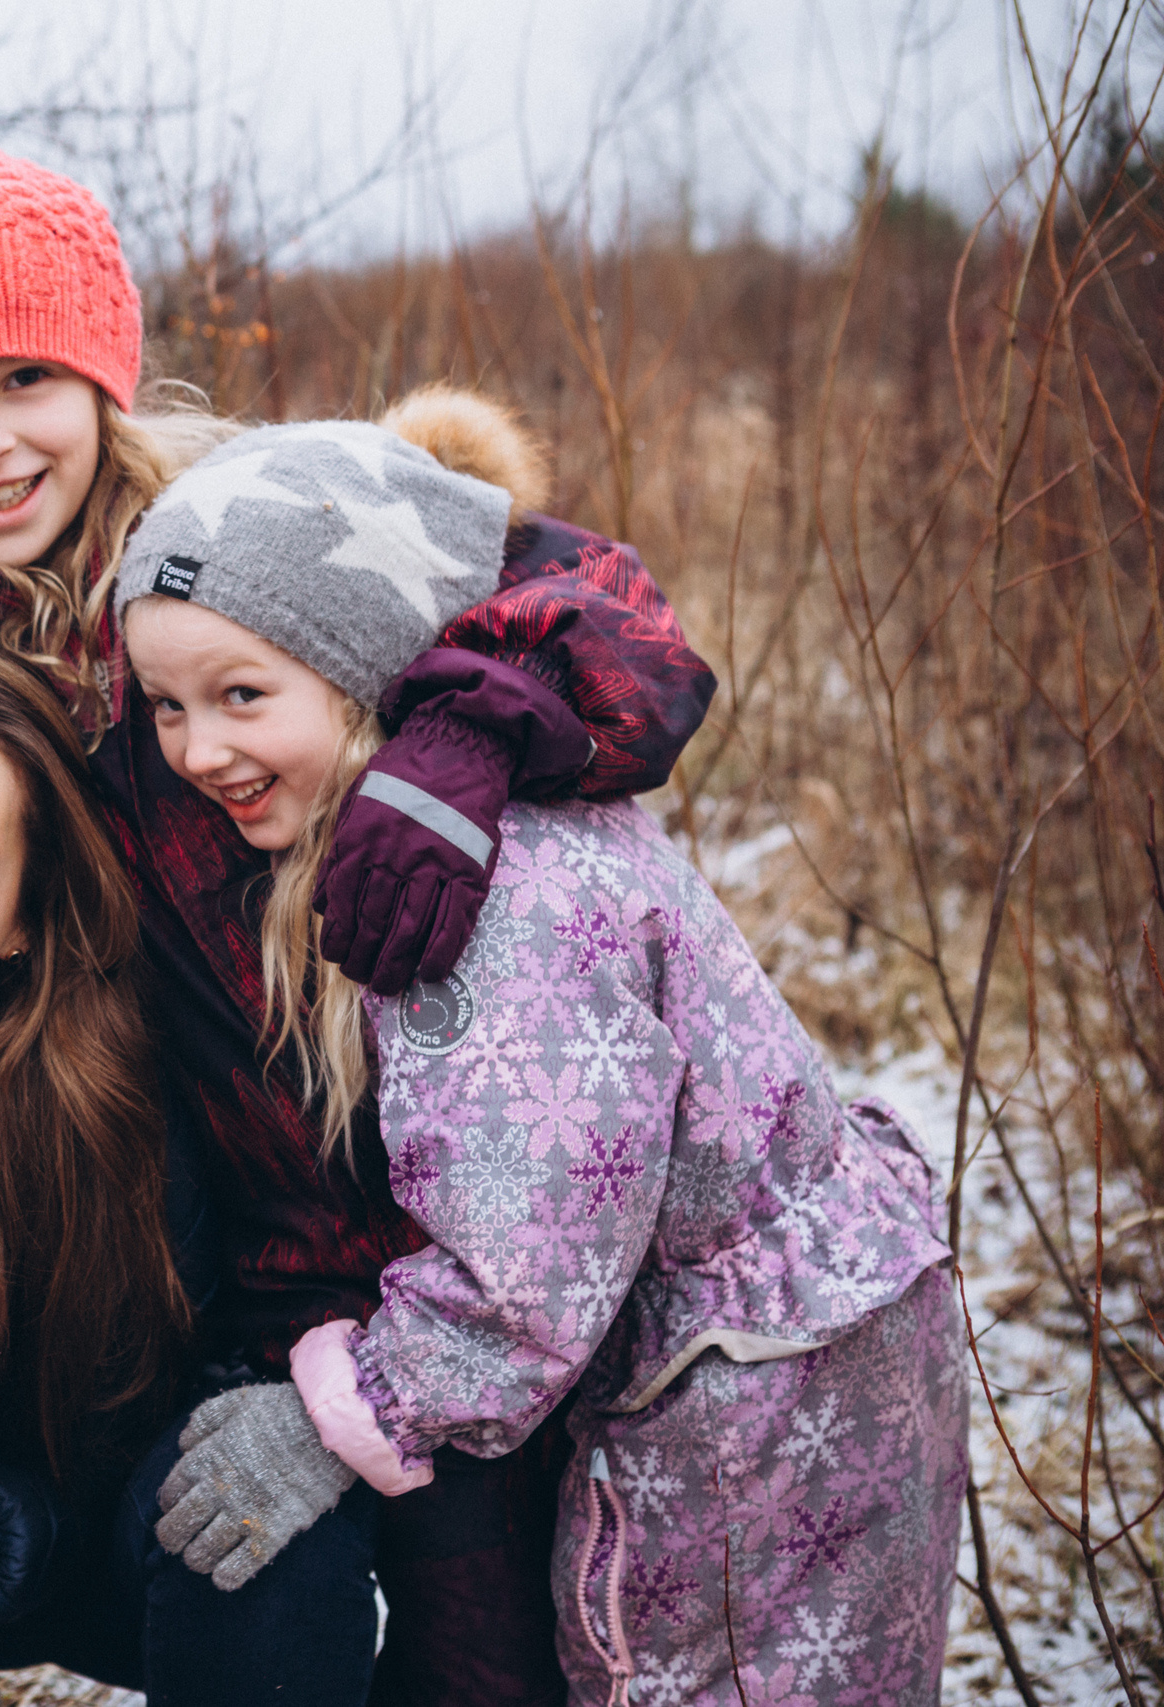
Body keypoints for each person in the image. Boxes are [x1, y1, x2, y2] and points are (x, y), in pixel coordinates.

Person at [0, 148, 719, 1702]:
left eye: (26, 376)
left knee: (490, 1663)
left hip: (458, 1215)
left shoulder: (253, 516)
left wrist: (465, 725)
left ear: (100, 370)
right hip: (217, 1264)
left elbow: (623, 626)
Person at [118, 411, 966, 1707]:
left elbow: (530, 1268)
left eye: (242, 694)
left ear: (363, 666)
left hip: (751, 1408)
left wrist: (344, 1416)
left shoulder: (488, 901)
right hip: (786, 1355)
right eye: (168, 705)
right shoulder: (457, 826)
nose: (196, 750)